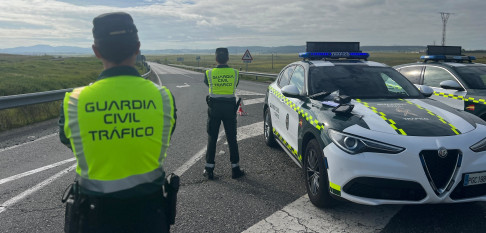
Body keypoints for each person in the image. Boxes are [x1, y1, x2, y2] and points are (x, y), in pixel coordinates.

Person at [58, 12, 177, 233]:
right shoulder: (163, 98)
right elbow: (166, 132)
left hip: (93, 217)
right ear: (138, 47)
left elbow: (69, 140)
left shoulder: (74, 101)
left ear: (96, 51)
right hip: (150, 216)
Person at [203, 48, 245, 180]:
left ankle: (209, 169)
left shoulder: (209, 73)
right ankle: (235, 169)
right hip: (230, 108)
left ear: (216, 59)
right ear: (228, 58)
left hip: (214, 108)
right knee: (232, 138)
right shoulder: (235, 73)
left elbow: (206, 83)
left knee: (212, 138)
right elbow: (235, 84)